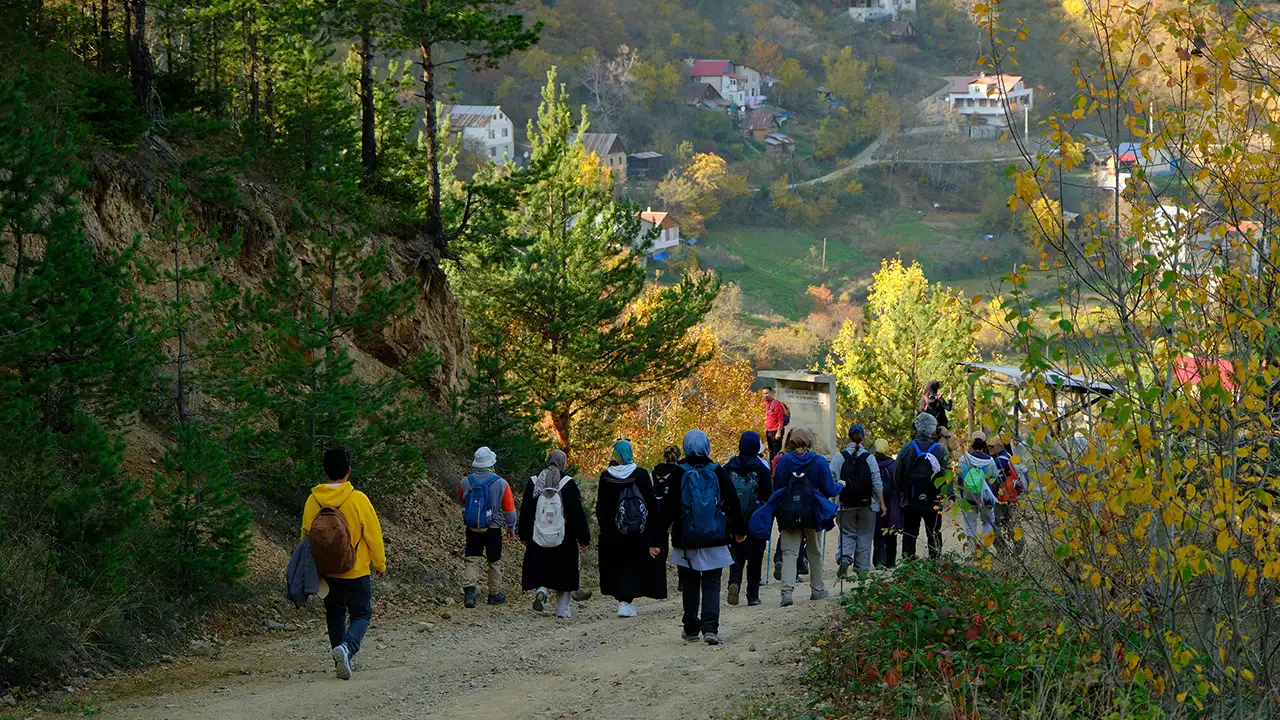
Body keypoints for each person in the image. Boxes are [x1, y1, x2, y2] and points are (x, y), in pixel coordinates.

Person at [301, 448, 387, 681]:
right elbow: (373, 535)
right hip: (356, 570)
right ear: (349, 470)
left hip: (327, 571)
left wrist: (311, 569)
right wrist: (380, 563)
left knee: (335, 613)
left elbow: (306, 538)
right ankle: (347, 649)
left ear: (324, 470)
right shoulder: (358, 499)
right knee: (362, 614)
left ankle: (341, 656)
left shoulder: (313, 500)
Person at [660, 430, 747, 645]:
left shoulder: (678, 472)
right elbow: (733, 501)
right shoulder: (717, 471)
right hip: (715, 537)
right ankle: (710, 628)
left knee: (689, 584)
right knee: (712, 583)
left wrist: (656, 538)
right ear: (706, 446)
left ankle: (691, 629)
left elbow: (668, 509)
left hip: (686, 540)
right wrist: (740, 530)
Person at [770, 426, 842, 607]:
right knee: (814, 552)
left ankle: (786, 592)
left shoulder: (784, 461)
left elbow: (778, 487)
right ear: (810, 441)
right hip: (813, 513)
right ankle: (817, 590)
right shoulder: (818, 462)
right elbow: (830, 490)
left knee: (789, 553)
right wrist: (841, 485)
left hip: (789, 512)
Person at [596, 440, 667, 617]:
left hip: (614, 533)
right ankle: (626, 602)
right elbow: (652, 506)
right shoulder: (641, 474)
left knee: (619, 565)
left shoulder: (606, 477)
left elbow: (601, 509)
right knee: (634, 565)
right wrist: (655, 538)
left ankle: (623, 600)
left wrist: (605, 531)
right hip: (639, 532)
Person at [519, 450, 590, 619]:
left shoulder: (534, 482)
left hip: (539, 536)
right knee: (563, 575)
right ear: (562, 463)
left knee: (542, 569)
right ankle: (563, 611)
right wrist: (583, 538)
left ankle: (542, 590)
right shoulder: (568, 484)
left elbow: (526, 511)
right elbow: (577, 514)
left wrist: (524, 535)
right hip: (564, 538)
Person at [458, 446, 517, 608]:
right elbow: (509, 510)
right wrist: (511, 527)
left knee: (472, 559)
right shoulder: (501, 483)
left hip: (472, 528)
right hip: (493, 528)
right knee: (494, 561)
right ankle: (494, 594)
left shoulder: (465, 482)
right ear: (491, 463)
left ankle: (470, 591)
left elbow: (462, 501)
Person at [723, 431, 773, 607]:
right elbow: (769, 495)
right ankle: (752, 596)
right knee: (755, 558)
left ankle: (734, 583)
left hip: (733, 520)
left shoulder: (729, 466)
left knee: (736, 556)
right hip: (756, 520)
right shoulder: (762, 469)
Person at [830, 423, 886, 578]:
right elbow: (877, 482)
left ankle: (845, 558)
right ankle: (861, 568)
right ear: (863, 438)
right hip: (867, 504)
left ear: (848, 437)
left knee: (847, 532)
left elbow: (831, 480)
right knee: (865, 535)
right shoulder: (870, 458)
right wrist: (881, 503)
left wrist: (832, 500)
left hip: (844, 503)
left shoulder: (838, 457)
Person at [895, 413, 951, 560]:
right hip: (934, 500)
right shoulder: (940, 450)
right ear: (933, 430)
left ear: (917, 427)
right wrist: (949, 495)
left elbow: (897, 473)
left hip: (911, 500)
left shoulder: (907, 448)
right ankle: (935, 560)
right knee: (934, 531)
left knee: (910, 532)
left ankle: (908, 563)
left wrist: (901, 493)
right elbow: (947, 474)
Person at [956, 432, 999, 554]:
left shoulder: (964, 459)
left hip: (968, 497)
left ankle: (972, 552)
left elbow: (959, 477)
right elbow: (995, 478)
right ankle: (985, 549)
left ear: (971, 444)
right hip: (985, 498)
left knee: (970, 524)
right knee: (988, 521)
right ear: (984, 445)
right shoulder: (990, 460)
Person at [989, 436, 1027, 556]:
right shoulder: (1009, 456)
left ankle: (1003, 552)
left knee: (994, 525)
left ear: (999, 446)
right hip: (1011, 496)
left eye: (992, 446)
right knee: (1009, 522)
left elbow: (995, 481)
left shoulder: (999, 462)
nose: (989, 448)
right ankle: (1018, 544)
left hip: (1000, 498)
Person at [871, 439, 902, 568]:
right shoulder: (894, 464)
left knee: (877, 533)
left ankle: (878, 561)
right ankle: (891, 561)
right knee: (891, 532)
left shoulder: (871, 463)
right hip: (892, 503)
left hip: (876, 502)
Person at [761, 387, 787, 462]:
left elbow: (781, 419)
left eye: (767, 393)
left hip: (775, 431)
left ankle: (776, 470)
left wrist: (778, 432)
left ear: (771, 393)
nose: (765, 395)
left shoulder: (776, 404)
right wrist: (766, 428)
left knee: (776, 453)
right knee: (771, 452)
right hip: (769, 431)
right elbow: (769, 417)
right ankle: (772, 470)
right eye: (764, 393)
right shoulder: (767, 404)